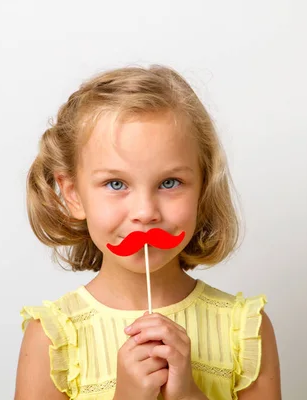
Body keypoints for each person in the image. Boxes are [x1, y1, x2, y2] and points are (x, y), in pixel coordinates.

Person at [14, 65, 282, 400]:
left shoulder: (244, 330)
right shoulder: (52, 338)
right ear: (73, 194)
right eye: (116, 184)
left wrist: (187, 396)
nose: (145, 213)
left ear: (202, 187)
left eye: (170, 183)